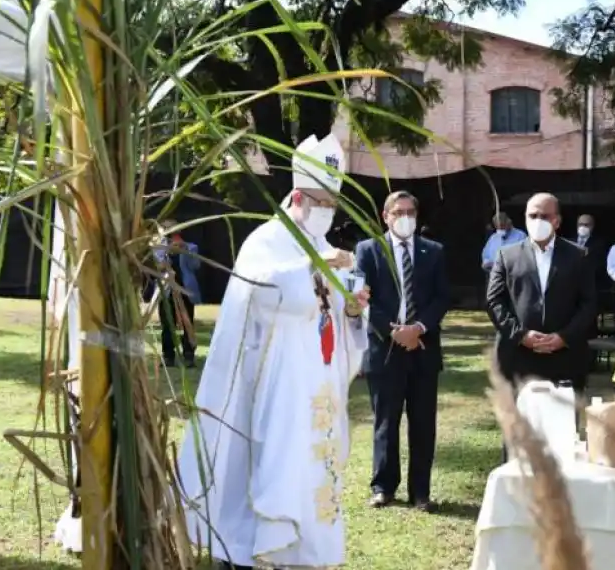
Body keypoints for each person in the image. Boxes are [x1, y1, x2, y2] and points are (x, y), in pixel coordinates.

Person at [177, 133, 369, 570]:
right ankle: (257, 550)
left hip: (318, 386)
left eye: (333, 205)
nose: (327, 212)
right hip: (273, 389)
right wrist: (315, 268)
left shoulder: (323, 246)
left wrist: (354, 312)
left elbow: (334, 316)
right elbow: (262, 296)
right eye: (321, 202)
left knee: (312, 475)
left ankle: (306, 554)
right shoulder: (265, 241)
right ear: (298, 197)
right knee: (275, 473)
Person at [355, 191, 450, 512]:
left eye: (411, 211)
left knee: (423, 423)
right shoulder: (368, 250)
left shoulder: (434, 251)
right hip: (385, 350)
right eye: (398, 212)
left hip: (423, 347)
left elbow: (441, 297)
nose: (405, 217)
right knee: (386, 421)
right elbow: (363, 297)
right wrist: (394, 332)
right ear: (386, 216)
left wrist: (418, 328)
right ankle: (383, 486)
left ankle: (420, 492)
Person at [486, 193, 597, 391]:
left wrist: (564, 337)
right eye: (532, 216)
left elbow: (589, 303)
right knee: (520, 422)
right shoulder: (506, 255)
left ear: (557, 221)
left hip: (565, 359)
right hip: (518, 358)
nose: (538, 221)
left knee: (563, 422)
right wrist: (521, 335)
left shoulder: (578, 256)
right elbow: (494, 302)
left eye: (544, 216)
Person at [155, 219, 202, 367]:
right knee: (167, 325)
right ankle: (168, 356)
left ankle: (189, 356)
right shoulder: (158, 249)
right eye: (166, 229)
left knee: (187, 323)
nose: (170, 232)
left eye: (172, 229)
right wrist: (166, 256)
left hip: (185, 290)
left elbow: (196, 266)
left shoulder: (192, 247)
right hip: (167, 291)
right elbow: (156, 268)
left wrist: (185, 251)